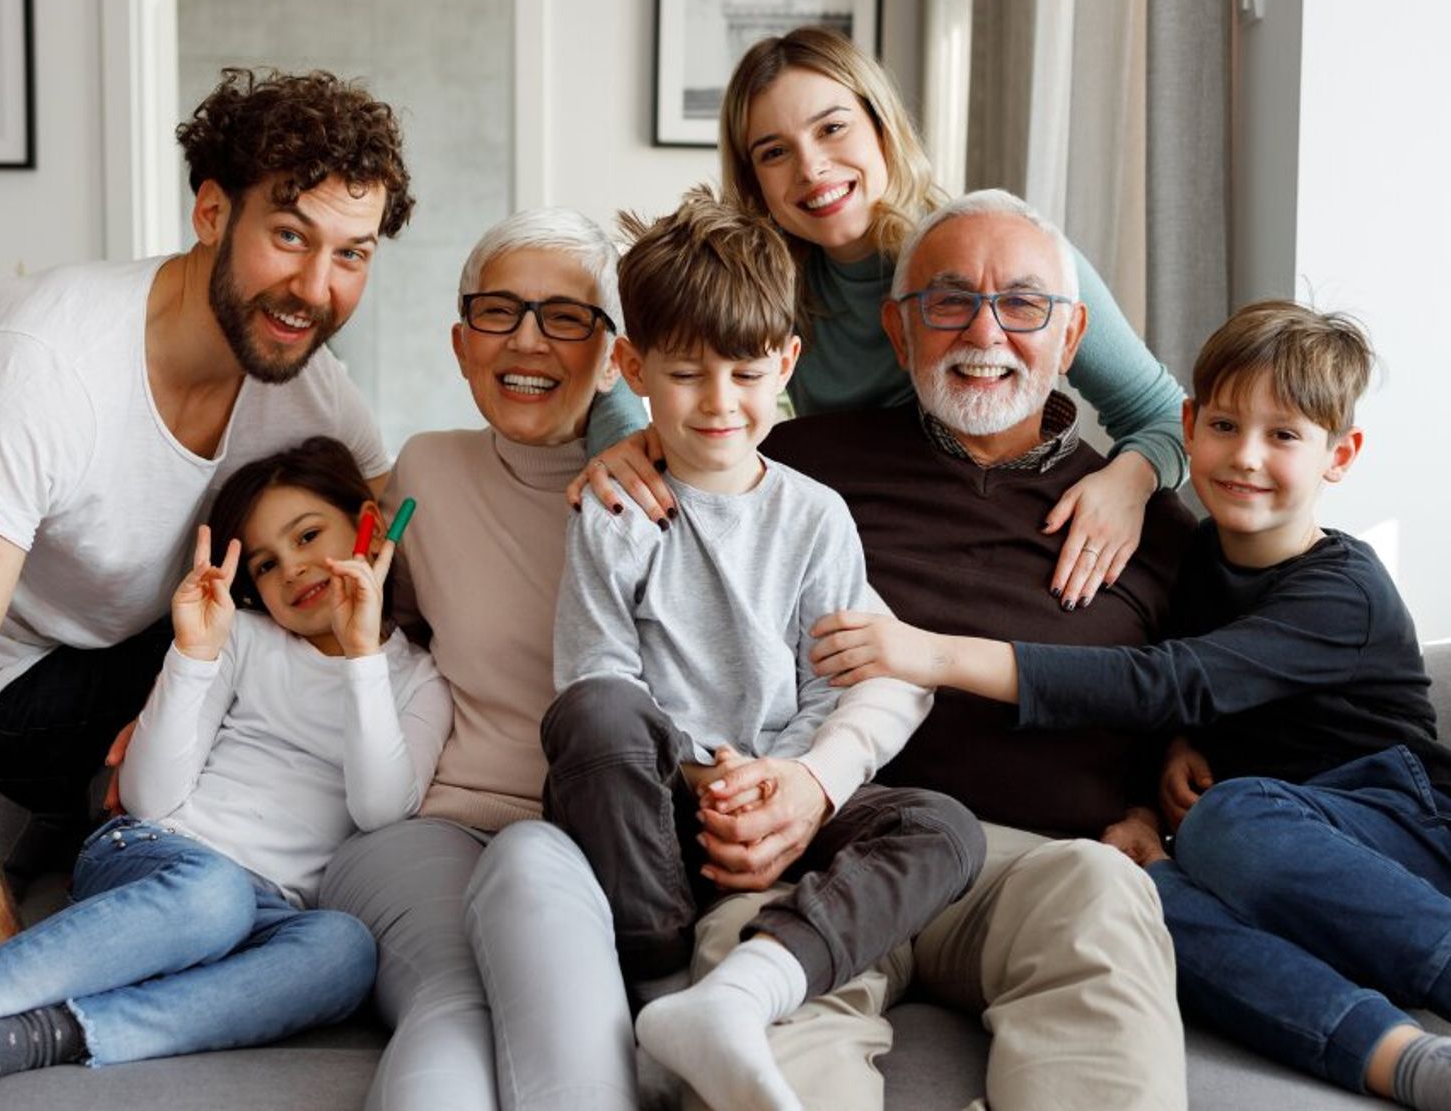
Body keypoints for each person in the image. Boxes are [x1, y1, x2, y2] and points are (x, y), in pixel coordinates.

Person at [814, 300, 1451, 1110]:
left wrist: (936, 653)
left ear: (1341, 454)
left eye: (1284, 435)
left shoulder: (1344, 592)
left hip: (1396, 821)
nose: (1246, 456)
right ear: (1187, 425)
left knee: (1232, 817)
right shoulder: (1187, 550)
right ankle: (1398, 1056)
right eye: (1224, 425)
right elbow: (1183, 701)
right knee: (1134, 894)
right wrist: (1158, 781)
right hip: (1257, 852)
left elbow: (1168, 678)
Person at [693, 189, 1196, 1111]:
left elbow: (1192, 686)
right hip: (828, 844)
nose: (988, 330)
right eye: (950, 299)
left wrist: (1156, 781)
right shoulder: (793, 466)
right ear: (899, 329)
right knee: (751, 1003)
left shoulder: (1151, 521)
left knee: (1104, 892)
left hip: (1034, 867)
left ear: (1072, 335)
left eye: (1024, 304)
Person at [0, 67, 412, 968]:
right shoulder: (44, 364)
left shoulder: (306, 382)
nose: (315, 286)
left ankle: (138, 847)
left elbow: (410, 531)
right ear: (213, 213)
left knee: (295, 632)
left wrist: (618, 443)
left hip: (122, 655)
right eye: (291, 234)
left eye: (353, 253)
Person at [541, 186, 984, 1111]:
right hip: (657, 810)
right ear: (632, 366)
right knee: (595, 714)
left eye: (745, 373)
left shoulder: (814, 515)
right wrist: (705, 777)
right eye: (686, 373)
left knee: (945, 825)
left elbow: (838, 682)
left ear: (785, 362)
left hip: (784, 805)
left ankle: (748, 990)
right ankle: (661, 990)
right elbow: (596, 672)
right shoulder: (615, 509)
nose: (718, 403)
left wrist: (779, 781)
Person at [579, 26, 1186, 614]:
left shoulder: (997, 255)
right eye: (775, 152)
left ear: (882, 126)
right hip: (867, 540)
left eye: (833, 128)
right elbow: (629, 349)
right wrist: (626, 439)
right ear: (754, 180)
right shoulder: (772, 286)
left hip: (999, 521)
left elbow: (1166, 413)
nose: (811, 168)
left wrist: (1128, 481)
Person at [0, 437, 450, 1108]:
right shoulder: (245, 641)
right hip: (158, 857)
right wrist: (194, 654)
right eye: (265, 562)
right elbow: (146, 797)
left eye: (308, 534)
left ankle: (46, 1035)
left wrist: (360, 656)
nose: (292, 568)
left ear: (369, 523)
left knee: (345, 949)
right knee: (213, 894)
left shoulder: (417, 681)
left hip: (268, 908)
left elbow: (380, 809)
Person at [317, 209, 640, 1111]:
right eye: (499, 312)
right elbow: (350, 613)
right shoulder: (422, 472)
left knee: (540, 888)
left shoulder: (665, 494)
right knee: (454, 1000)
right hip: (436, 827)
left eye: (566, 316)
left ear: (617, 357)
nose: (526, 339)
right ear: (461, 344)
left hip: (600, 846)